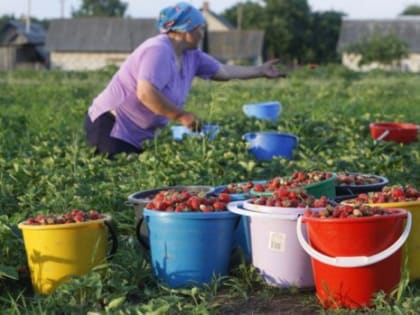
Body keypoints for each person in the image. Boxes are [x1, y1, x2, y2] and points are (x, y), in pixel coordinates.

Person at [85, 2, 285, 158]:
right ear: (186, 29)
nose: (202, 33)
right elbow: (145, 93)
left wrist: (260, 70)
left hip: (140, 134)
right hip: (112, 127)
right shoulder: (157, 49)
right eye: (200, 28)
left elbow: (224, 71)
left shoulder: (192, 55)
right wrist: (181, 116)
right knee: (119, 189)